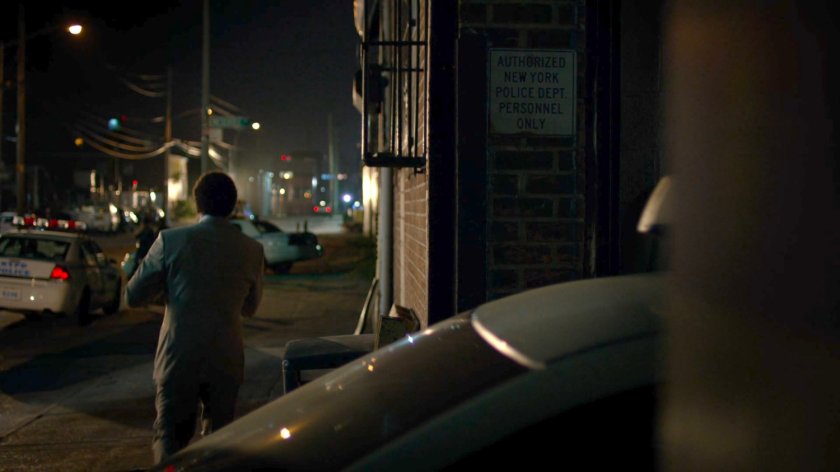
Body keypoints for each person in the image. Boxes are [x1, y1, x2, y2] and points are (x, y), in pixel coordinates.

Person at [125, 171, 264, 463]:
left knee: (169, 441)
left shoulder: (170, 241)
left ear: (197, 203)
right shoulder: (252, 250)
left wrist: (168, 292)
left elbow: (133, 296)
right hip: (225, 359)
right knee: (219, 445)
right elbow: (250, 308)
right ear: (232, 205)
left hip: (178, 357)